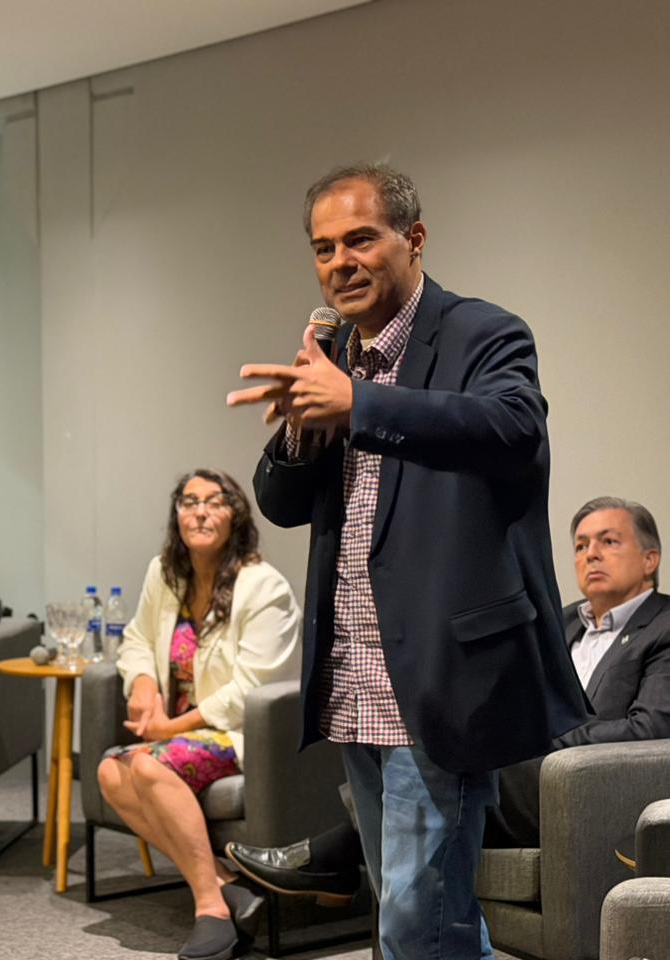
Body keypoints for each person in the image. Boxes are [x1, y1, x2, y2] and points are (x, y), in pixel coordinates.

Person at [226, 163, 588, 960]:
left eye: (361, 239)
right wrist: (300, 429)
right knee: (421, 908)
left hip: (440, 678)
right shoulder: (336, 360)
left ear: (414, 239)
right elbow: (282, 504)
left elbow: (512, 428)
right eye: (324, 249)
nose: (340, 263)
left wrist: (360, 405)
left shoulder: (481, 333)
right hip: (355, 671)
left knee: (413, 919)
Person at [223, 495, 670, 890]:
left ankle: (329, 859)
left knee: (451, 757)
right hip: (534, 773)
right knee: (432, 737)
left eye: (609, 541)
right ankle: (333, 864)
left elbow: (652, 731)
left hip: (589, 790)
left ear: (650, 558)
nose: (590, 553)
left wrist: (545, 739)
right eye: (581, 544)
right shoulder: (563, 621)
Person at [96, 469, 301, 960]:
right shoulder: (164, 573)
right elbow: (138, 641)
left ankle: (208, 905)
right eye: (189, 501)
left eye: (214, 501)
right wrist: (143, 682)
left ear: (236, 515)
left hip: (236, 734)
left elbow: (253, 686)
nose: (201, 511)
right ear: (177, 515)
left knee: (146, 764)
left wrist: (170, 727)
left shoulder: (263, 586)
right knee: (108, 770)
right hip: (180, 734)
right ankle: (226, 882)